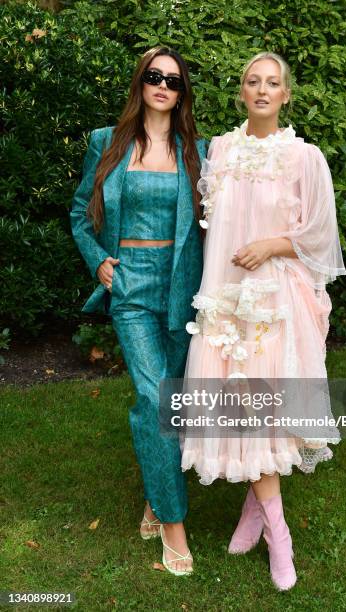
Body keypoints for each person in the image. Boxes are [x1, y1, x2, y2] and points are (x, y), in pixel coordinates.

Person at [181, 52, 346, 590]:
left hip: (277, 301)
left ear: (285, 95)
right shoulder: (220, 151)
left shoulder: (305, 158)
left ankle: (277, 533)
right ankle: (258, 512)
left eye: (272, 83)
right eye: (252, 81)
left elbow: (322, 237)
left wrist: (275, 244)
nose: (261, 90)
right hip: (225, 302)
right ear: (241, 92)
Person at [70, 46, 208, 576]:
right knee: (154, 399)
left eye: (173, 80)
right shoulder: (106, 143)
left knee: (172, 405)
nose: (163, 85)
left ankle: (156, 493)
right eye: (154, 76)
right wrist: (98, 260)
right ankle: (174, 526)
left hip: (182, 288)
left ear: (182, 92)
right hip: (129, 287)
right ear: (140, 83)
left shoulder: (198, 150)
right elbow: (82, 213)